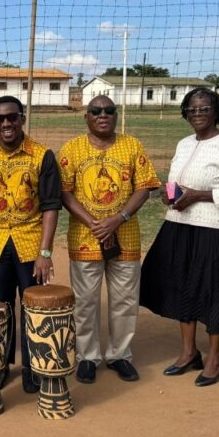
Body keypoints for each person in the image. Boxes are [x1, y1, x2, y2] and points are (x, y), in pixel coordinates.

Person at [139, 87, 219, 387]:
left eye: (204, 109)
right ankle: (189, 352)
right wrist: (170, 195)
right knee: (181, 286)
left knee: (213, 291)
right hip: (179, 224)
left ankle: (214, 357)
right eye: (192, 109)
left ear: (217, 112)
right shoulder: (184, 143)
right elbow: (177, 183)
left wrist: (199, 196)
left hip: (214, 228)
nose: (197, 114)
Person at [59, 96, 160, 384]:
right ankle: (87, 356)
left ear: (116, 115)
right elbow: (65, 192)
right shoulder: (71, 149)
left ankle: (119, 355)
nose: (102, 115)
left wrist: (119, 218)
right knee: (85, 301)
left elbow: (144, 188)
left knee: (125, 299)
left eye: (109, 110)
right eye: (95, 111)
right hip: (85, 237)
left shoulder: (132, 146)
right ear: (86, 117)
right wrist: (91, 222)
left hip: (124, 236)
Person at [0, 95, 60, 393]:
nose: (5, 123)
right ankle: (2, 364)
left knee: (33, 307)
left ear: (22, 119)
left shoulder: (42, 155)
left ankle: (33, 366)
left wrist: (45, 252)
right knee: (0, 306)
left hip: (30, 243)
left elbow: (51, 206)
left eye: (11, 117)